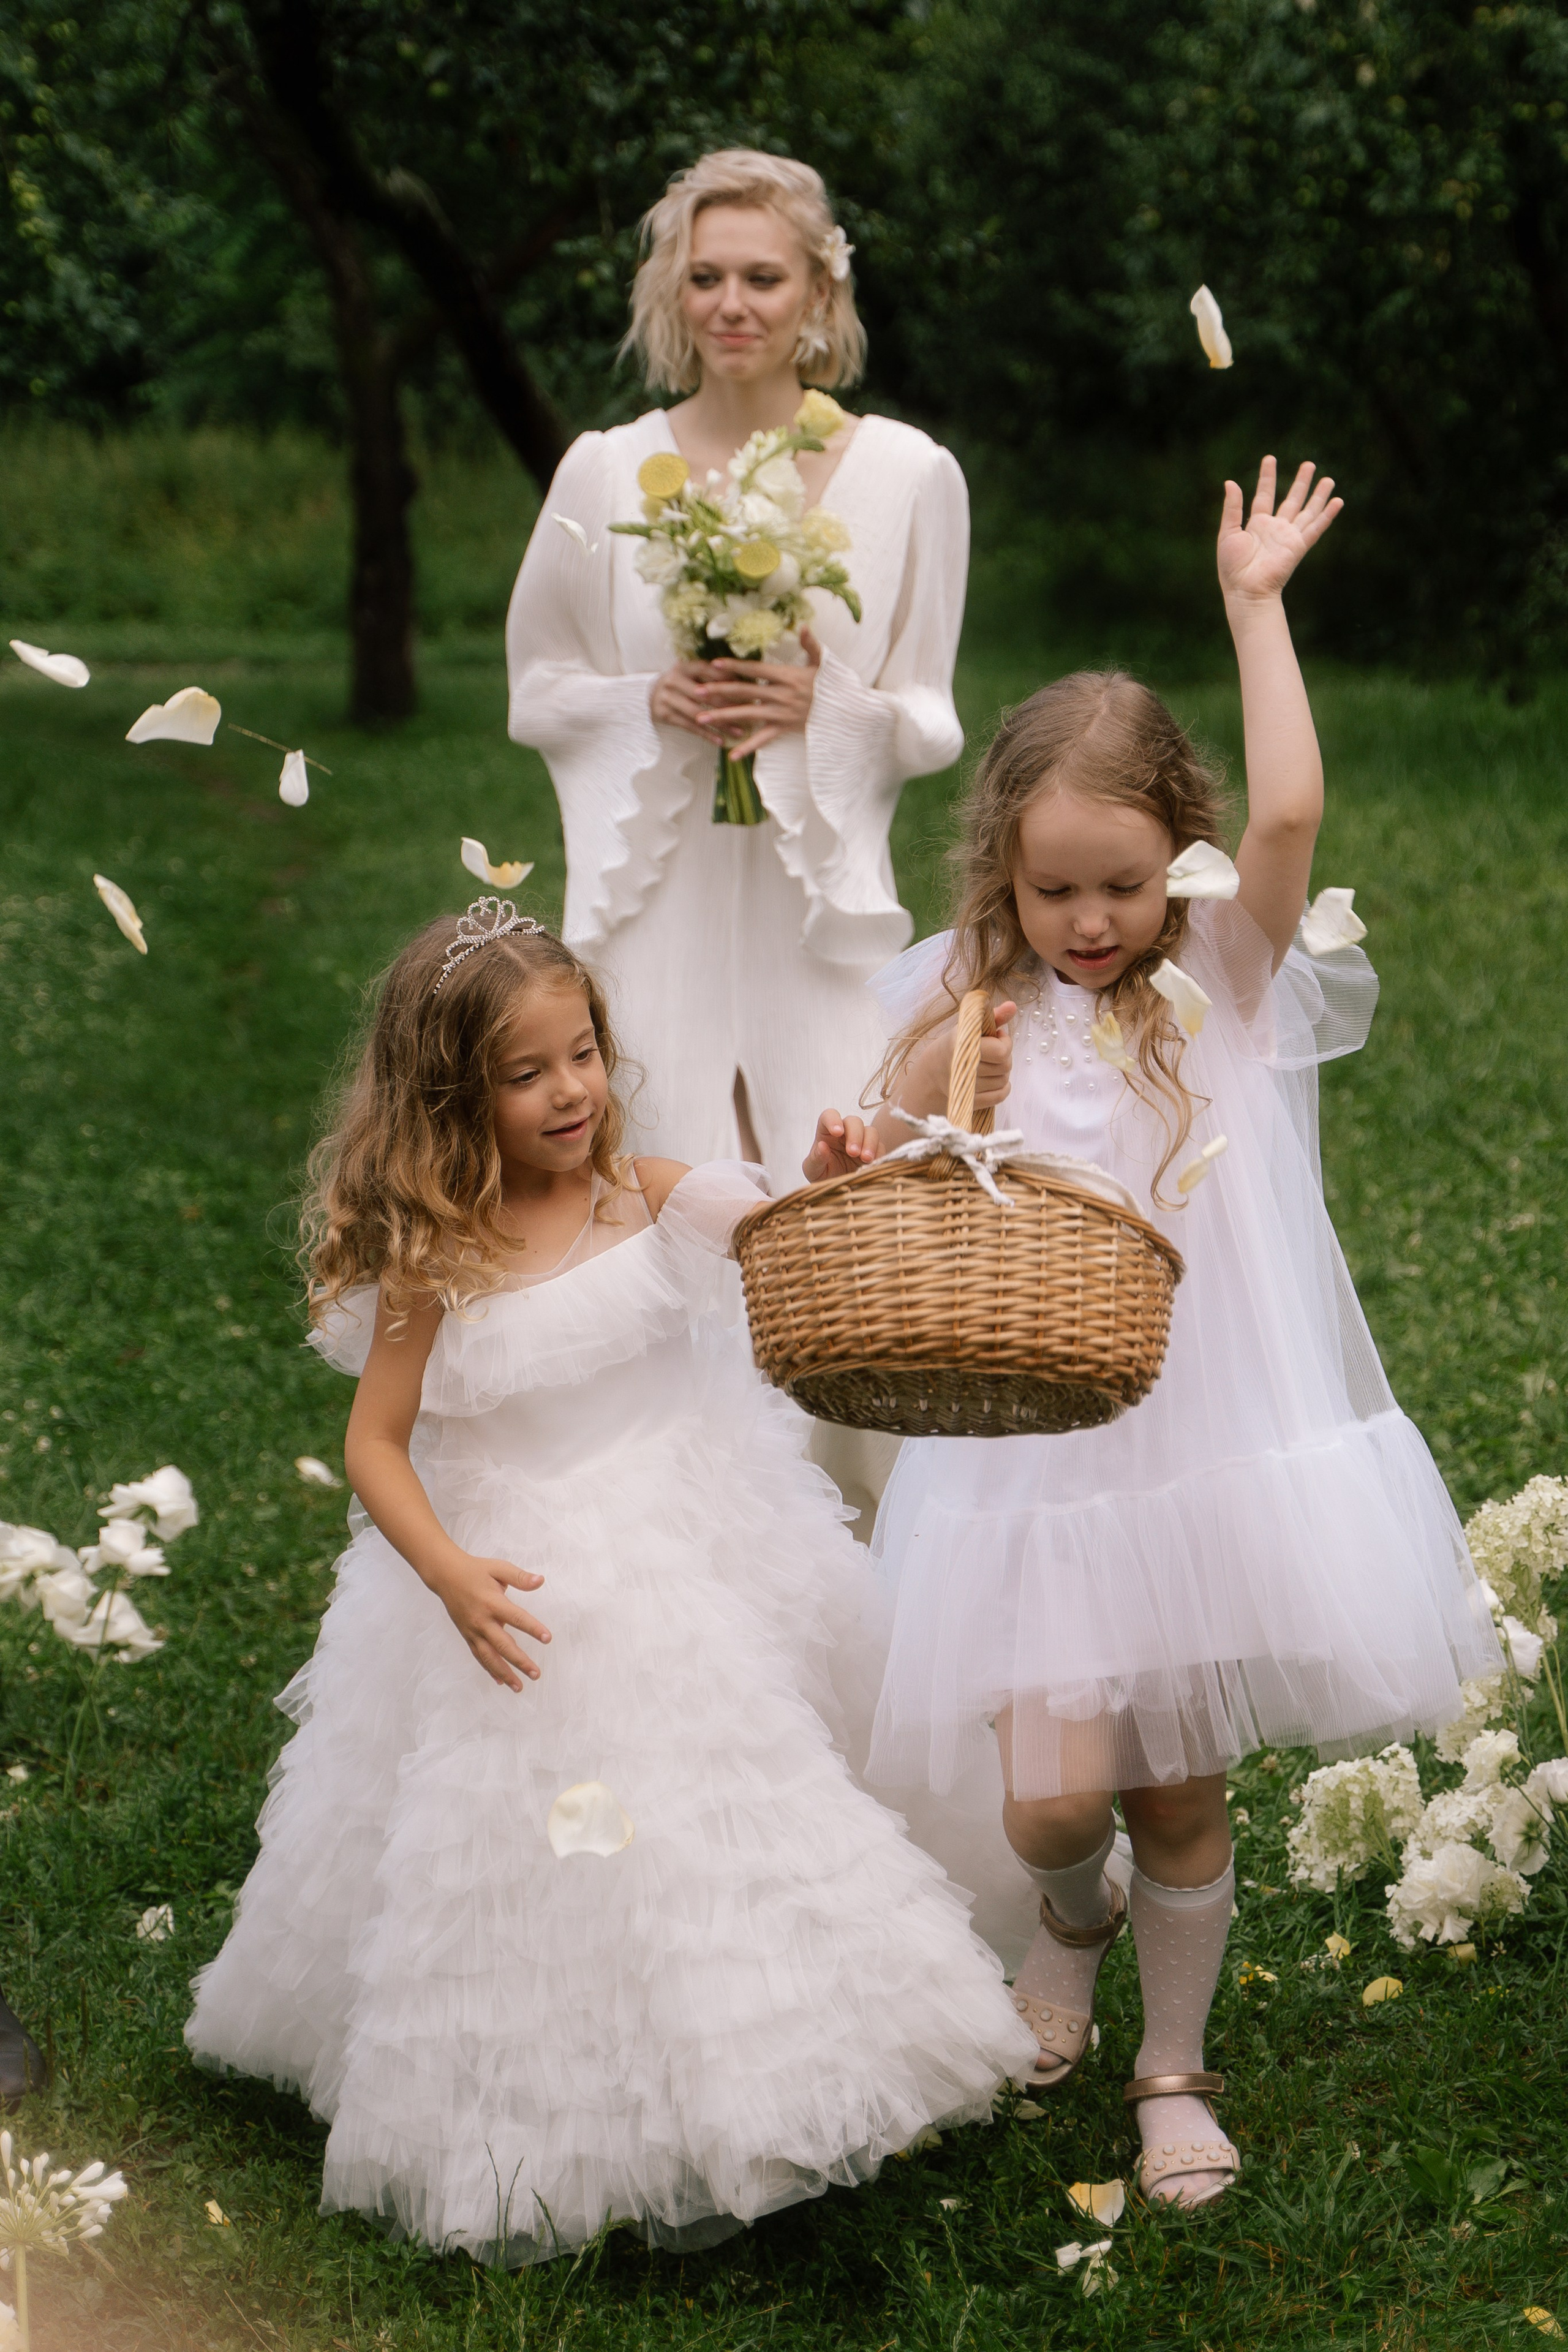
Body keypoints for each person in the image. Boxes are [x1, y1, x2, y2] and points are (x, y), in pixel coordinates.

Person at [184, 898, 1035, 2264]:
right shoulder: (435, 1256)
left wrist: (822, 1170)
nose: (571, 1090)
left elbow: (785, 1229)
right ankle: (602, 2100)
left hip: (701, 1527)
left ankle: (799, 2053)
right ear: (451, 1097)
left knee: (751, 1786)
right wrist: (452, 1575)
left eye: (581, 1053)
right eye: (527, 1075)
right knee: (564, 1839)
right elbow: (375, 1443)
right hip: (531, 1576)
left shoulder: (644, 1195)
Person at [860, 458, 1502, 2209]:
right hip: (1029, 1467)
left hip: (1196, 1447)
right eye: (1055, 888)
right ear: (1004, 866)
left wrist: (1256, 608)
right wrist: (881, 1131)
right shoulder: (967, 1006)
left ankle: (1174, 2063)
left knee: (1180, 1793)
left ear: (1177, 864)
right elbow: (888, 1155)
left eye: (1123, 886)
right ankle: (1063, 1923)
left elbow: (1289, 816)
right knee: (1058, 1807)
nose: (1088, 924)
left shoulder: (1213, 980)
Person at [505, 148, 967, 1532]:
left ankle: (875, 1559)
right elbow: (536, 685)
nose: (731, 303)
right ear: (671, 291)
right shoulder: (606, 469)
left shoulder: (905, 475)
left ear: (817, 290)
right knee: (659, 1189)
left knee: (854, 1202)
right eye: (702, 276)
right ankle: (663, 1561)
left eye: (761, 276)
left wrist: (820, 708)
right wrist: (650, 699)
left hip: (821, 912)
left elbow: (930, 716)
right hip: (660, 905)